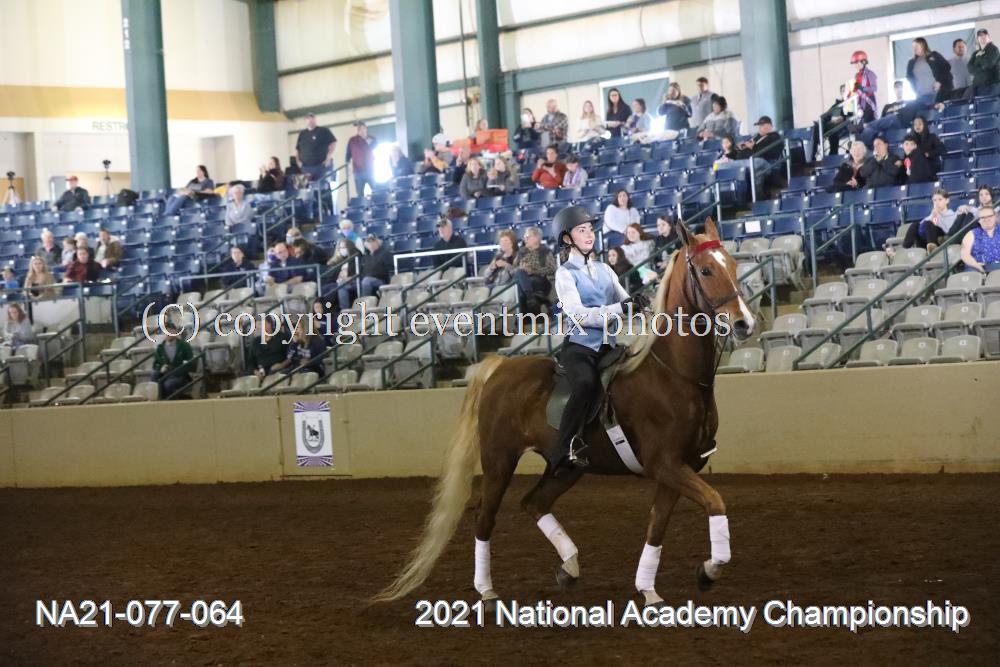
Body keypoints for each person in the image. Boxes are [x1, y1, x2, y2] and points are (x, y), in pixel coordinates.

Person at [550, 205, 644, 469]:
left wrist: (638, 304)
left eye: (590, 229)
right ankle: (565, 446)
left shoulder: (605, 269)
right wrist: (620, 308)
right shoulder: (565, 274)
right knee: (585, 383)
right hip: (580, 348)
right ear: (567, 238)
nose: (589, 234)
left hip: (609, 347)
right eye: (582, 230)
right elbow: (579, 315)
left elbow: (624, 300)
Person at [897, 188, 957, 254]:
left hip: (940, 238)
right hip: (926, 239)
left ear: (947, 200)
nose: (937, 203)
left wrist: (935, 216)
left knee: (928, 223)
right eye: (935, 200)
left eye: (940, 200)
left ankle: (932, 248)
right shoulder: (933, 214)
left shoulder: (952, 215)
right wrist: (934, 215)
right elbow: (924, 226)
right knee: (915, 225)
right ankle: (903, 250)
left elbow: (948, 231)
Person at [512, 226, 556, 313]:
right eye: (524, 237)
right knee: (520, 273)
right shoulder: (521, 252)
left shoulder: (545, 251)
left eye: (528, 237)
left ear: (537, 238)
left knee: (520, 289)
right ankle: (531, 299)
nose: (525, 239)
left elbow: (552, 269)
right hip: (523, 281)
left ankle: (523, 317)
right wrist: (522, 269)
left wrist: (532, 271)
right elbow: (513, 269)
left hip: (539, 281)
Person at [906, 37, 953, 107]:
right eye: (913, 47)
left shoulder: (934, 55)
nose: (914, 49)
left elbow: (946, 67)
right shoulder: (911, 62)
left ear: (923, 45)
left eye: (916, 46)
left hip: (937, 94)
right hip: (921, 96)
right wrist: (915, 90)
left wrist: (939, 82)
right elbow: (909, 77)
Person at [152, 325, 194, 400]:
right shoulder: (160, 348)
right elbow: (155, 365)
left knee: (168, 384)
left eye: (170, 331)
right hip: (164, 374)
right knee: (154, 375)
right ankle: (158, 400)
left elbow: (190, 363)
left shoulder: (184, 346)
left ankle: (169, 402)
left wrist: (175, 371)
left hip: (180, 375)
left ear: (176, 332)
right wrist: (161, 368)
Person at [295, 113, 337, 182]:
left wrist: (328, 157)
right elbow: (297, 149)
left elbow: (333, 142)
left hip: (320, 166)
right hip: (305, 167)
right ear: (305, 121)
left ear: (315, 120)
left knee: (322, 186)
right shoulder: (302, 134)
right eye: (308, 119)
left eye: (312, 119)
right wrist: (298, 161)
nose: (310, 121)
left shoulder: (323, 130)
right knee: (307, 187)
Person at [961, 205, 1000, 273]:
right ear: (979, 220)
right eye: (983, 217)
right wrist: (978, 267)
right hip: (976, 267)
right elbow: (965, 255)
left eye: (989, 216)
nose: (986, 219)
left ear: (995, 217)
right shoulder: (971, 234)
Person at [844, 50, 878, 127]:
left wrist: (863, 88)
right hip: (860, 103)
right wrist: (850, 93)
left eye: (857, 63)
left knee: (869, 125)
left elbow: (874, 88)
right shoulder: (857, 75)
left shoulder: (870, 74)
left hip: (869, 102)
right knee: (861, 125)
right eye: (854, 63)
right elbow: (856, 90)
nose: (855, 65)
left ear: (863, 62)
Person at [356, 234, 393, 298]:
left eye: (373, 241)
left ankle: (365, 302)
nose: (371, 244)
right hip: (366, 278)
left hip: (381, 279)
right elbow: (362, 270)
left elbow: (390, 268)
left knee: (366, 281)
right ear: (366, 245)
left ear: (377, 242)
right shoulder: (366, 256)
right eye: (369, 242)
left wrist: (373, 274)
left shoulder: (385, 253)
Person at [967, 29, 1000, 97]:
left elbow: (988, 64)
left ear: (989, 37)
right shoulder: (975, 53)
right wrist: (979, 69)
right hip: (978, 86)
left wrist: (979, 57)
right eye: (980, 36)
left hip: (991, 86)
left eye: (985, 35)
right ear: (977, 39)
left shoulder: (994, 49)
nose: (983, 37)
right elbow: (969, 67)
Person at [345, 121, 375, 196]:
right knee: (360, 194)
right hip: (358, 171)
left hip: (370, 170)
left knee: (375, 191)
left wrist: (367, 141)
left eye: (362, 128)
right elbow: (348, 154)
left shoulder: (371, 139)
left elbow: (375, 147)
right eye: (358, 128)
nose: (360, 130)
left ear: (366, 128)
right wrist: (348, 166)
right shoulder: (352, 140)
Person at [331, 237, 361, 310]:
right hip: (342, 280)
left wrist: (350, 277)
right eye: (341, 248)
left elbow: (359, 271)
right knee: (326, 288)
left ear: (349, 247)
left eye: (344, 247)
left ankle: (344, 309)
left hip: (354, 280)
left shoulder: (356, 256)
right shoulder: (342, 258)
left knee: (341, 285)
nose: (342, 249)